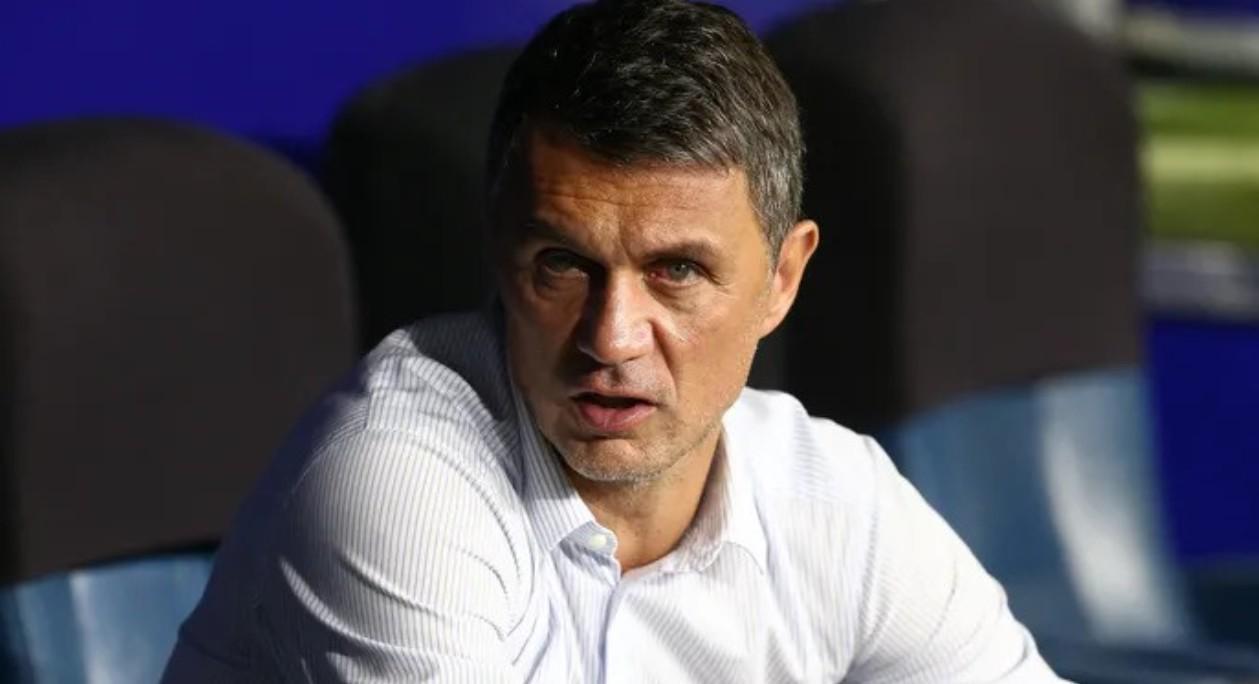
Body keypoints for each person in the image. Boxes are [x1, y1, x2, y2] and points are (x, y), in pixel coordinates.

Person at [163, 1, 1065, 681]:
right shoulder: (393, 483)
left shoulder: (835, 501)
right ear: (498, 251)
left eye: (676, 272)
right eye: (562, 264)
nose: (611, 338)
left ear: (781, 278)